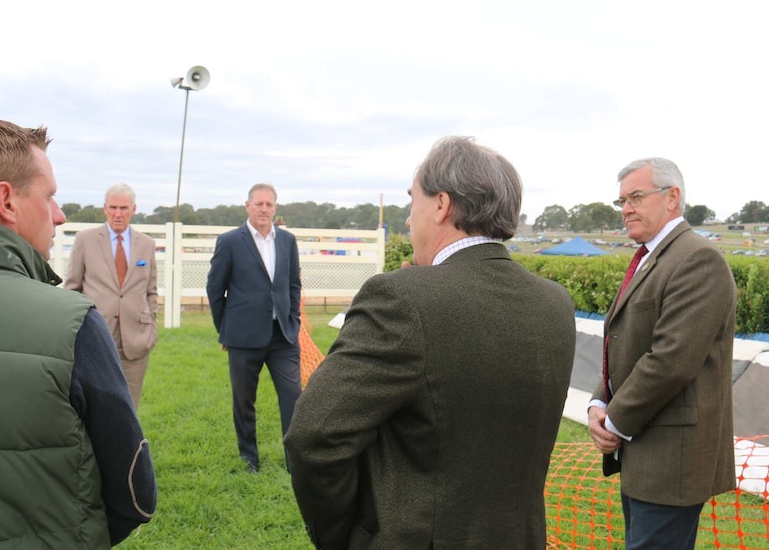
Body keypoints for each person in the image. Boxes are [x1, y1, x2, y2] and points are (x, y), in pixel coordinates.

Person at [284, 136, 576, 549]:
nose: (407, 220)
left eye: (411, 202)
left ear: (441, 205)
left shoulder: (400, 298)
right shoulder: (555, 301)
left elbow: (313, 437)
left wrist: (344, 539)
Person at [0, 116, 156, 548]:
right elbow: (134, 491)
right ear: (6, 201)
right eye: (50, 196)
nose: (58, 215)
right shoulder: (72, 322)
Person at [588, 158, 736, 549]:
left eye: (636, 197)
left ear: (673, 198)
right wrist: (597, 401)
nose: (626, 209)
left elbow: (671, 360)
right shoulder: (651, 257)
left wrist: (614, 421)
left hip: (673, 463)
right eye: (621, 201)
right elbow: (623, 343)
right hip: (645, 457)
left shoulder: (697, 259)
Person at [206, 183, 302, 474]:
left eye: (269, 205)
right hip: (243, 336)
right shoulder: (230, 241)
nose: (263, 209)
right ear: (247, 206)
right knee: (244, 401)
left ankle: (294, 461)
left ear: (275, 208)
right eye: (258, 204)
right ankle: (250, 458)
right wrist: (225, 329)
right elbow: (215, 289)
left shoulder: (287, 241)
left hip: (282, 336)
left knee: (293, 397)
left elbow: (293, 285)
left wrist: (293, 320)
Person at [64, 183, 158, 411]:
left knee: (129, 406)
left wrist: (150, 327)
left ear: (133, 209)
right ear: (105, 209)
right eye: (113, 208)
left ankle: (130, 447)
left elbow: (151, 290)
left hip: (136, 339)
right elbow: (72, 288)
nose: (118, 214)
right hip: (96, 334)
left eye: (124, 208)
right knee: (96, 405)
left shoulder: (146, 244)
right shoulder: (85, 240)